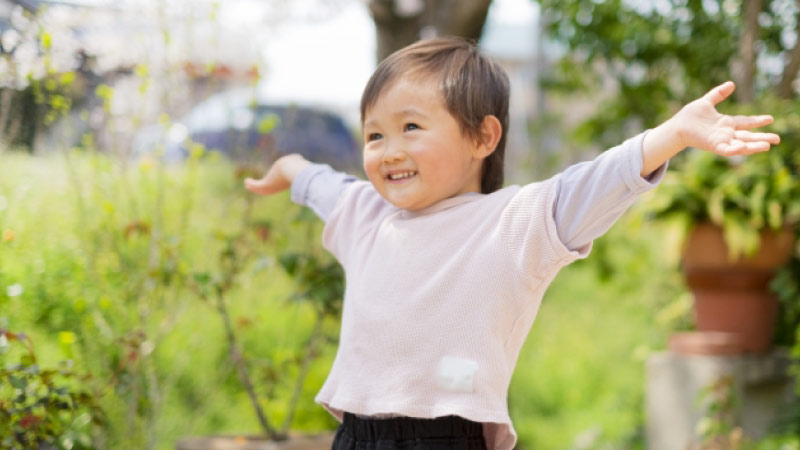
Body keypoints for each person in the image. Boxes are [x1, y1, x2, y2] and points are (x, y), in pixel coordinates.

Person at [243, 37, 780, 450]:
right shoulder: (364, 213)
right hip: (356, 436)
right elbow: (316, 180)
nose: (389, 150)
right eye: (375, 135)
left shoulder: (511, 223)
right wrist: (285, 168)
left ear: (483, 136)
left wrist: (675, 134)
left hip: (446, 437)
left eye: (411, 128)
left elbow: (595, 183)